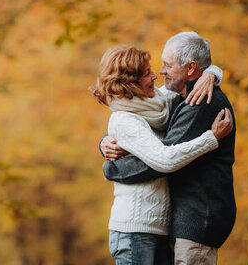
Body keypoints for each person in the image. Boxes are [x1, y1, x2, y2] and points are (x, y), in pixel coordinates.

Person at [101, 32, 236, 265]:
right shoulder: (144, 111)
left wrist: (211, 74)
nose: (158, 72)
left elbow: (163, 157)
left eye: (166, 65)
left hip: (187, 224)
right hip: (144, 228)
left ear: (191, 68)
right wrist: (105, 145)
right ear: (131, 84)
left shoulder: (186, 101)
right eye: (149, 72)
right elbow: (155, 150)